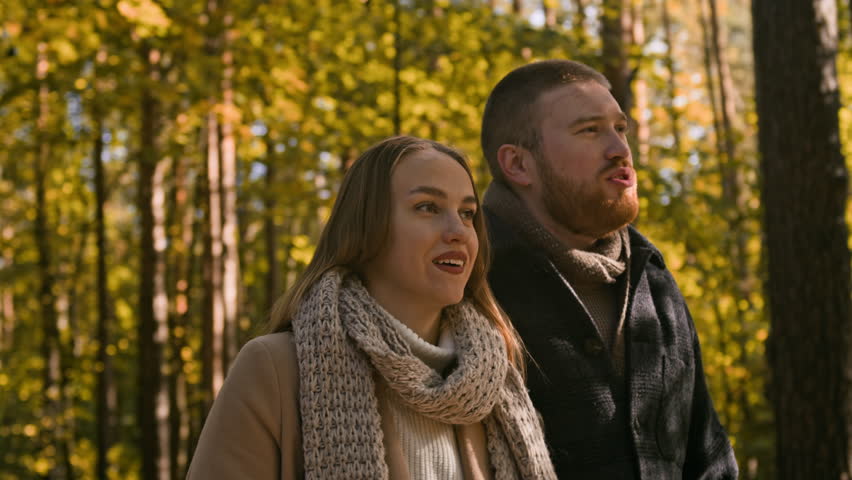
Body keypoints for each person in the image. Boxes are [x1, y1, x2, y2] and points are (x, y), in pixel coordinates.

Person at [187, 136, 557, 480]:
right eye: (427, 207)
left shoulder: (492, 379)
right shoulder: (275, 369)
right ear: (366, 229)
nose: (458, 231)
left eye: (466, 213)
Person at [479, 60, 738, 478]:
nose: (620, 149)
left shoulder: (654, 282)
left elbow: (707, 459)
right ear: (518, 165)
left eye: (621, 128)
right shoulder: (468, 279)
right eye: (589, 130)